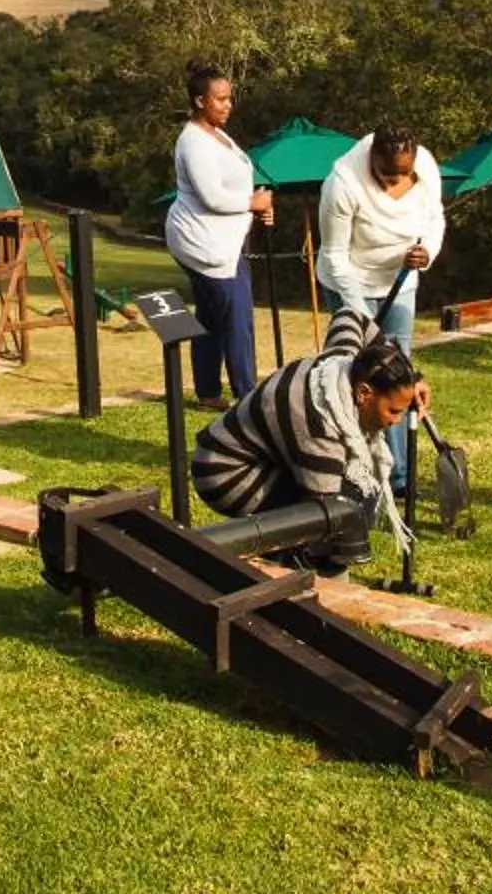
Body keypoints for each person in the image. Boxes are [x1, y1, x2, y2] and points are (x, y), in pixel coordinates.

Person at [192, 302, 424, 572]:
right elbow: (324, 518)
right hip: (225, 473)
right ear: (363, 394)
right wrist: (336, 562)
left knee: (351, 491)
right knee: (338, 511)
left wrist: (411, 379)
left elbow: (352, 316)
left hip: (264, 457)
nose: (395, 421)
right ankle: (285, 572)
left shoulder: (344, 360)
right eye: (393, 411)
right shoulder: (319, 430)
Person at [315, 123, 444, 485]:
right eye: (386, 174)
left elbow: (435, 220)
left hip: (400, 282)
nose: (392, 183)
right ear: (372, 157)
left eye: (401, 175)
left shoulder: (427, 168)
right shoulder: (342, 183)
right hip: (348, 283)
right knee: (358, 376)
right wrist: (364, 321)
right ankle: (356, 468)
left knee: (401, 374)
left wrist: (428, 252)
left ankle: (397, 476)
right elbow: (336, 256)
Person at [166, 60, 272, 405]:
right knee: (237, 318)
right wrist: (252, 203)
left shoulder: (218, 134)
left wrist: (258, 206)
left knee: (212, 315)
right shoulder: (193, 142)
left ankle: (209, 391)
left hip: (227, 241)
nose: (227, 105)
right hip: (203, 244)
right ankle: (248, 398)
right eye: (220, 99)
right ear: (200, 101)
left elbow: (237, 185)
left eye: (229, 98)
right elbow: (212, 196)